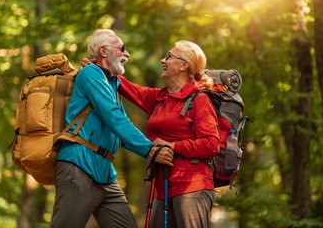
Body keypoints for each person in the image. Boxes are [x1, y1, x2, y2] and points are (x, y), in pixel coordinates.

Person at [82, 40, 220, 227]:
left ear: (184, 65)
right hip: (161, 188)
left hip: (192, 186)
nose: (163, 60)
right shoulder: (160, 98)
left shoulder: (199, 98)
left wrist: (174, 146)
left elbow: (211, 144)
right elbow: (126, 86)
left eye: (169, 56)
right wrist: (101, 69)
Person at [50, 29, 174, 228]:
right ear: (104, 51)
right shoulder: (90, 73)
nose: (127, 54)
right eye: (121, 49)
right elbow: (113, 116)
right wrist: (150, 150)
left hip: (105, 173)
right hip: (79, 166)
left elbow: (120, 128)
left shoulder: (111, 83)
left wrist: (149, 148)